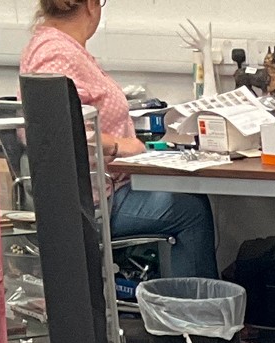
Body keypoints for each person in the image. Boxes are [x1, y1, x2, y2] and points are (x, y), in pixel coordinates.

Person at [19, 0, 216, 280]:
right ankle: (197, 318)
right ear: (90, 4)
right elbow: (54, 134)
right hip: (94, 203)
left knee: (189, 196)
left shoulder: (61, 47)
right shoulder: (55, 54)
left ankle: (188, 310)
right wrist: (120, 145)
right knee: (190, 210)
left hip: (106, 188)